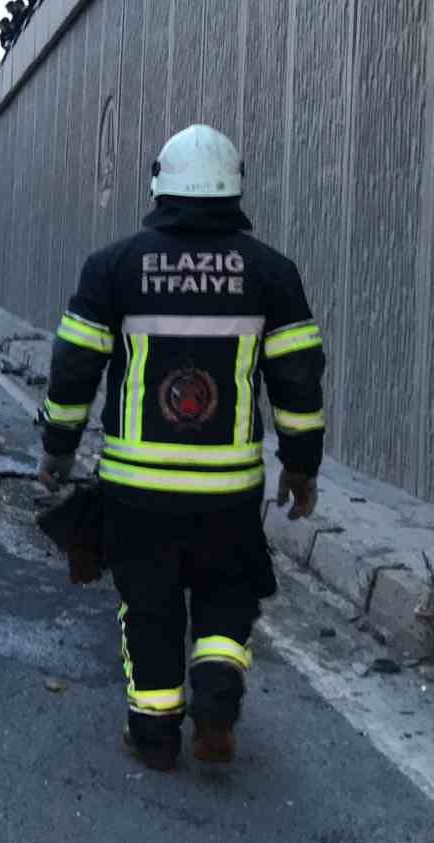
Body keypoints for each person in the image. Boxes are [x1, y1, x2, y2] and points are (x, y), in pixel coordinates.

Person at [38, 124, 326, 772]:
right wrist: (301, 466)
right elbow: (298, 379)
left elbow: (74, 368)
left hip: (137, 489)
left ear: (159, 181)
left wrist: (57, 449)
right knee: (227, 595)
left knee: (150, 607)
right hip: (229, 490)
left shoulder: (112, 266)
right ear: (234, 186)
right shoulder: (271, 272)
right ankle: (217, 709)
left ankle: (155, 735)